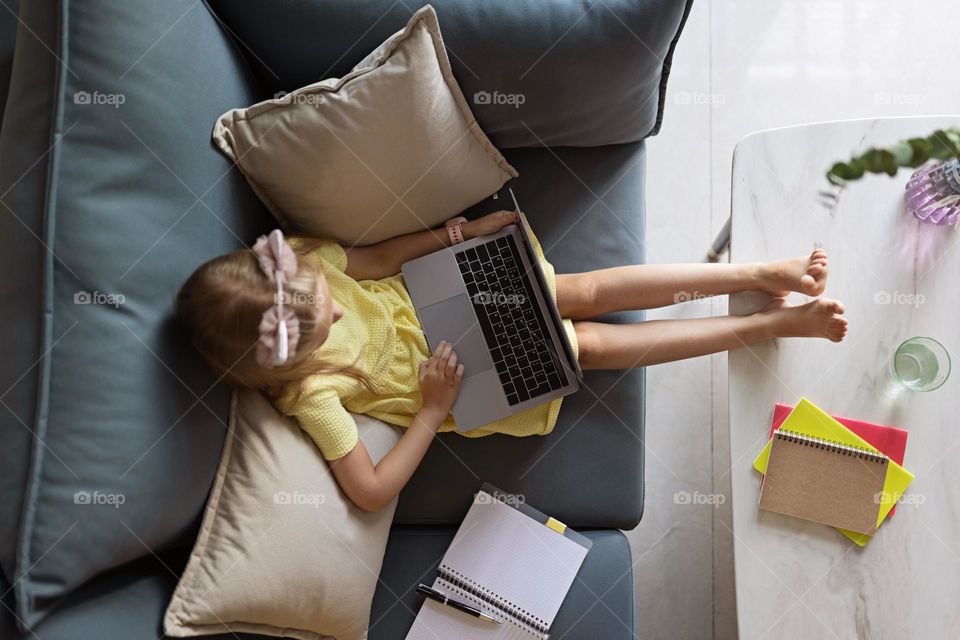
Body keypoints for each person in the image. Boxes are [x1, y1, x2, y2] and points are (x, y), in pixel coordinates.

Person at [176, 210, 846, 511]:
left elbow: (379, 261)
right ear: (288, 360)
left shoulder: (304, 264)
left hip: (459, 293)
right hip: (466, 377)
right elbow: (372, 492)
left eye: (328, 298)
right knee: (591, 345)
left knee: (581, 290)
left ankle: (758, 272)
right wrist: (433, 411)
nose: (342, 311)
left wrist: (457, 235)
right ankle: (771, 325)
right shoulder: (310, 395)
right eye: (328, 326)